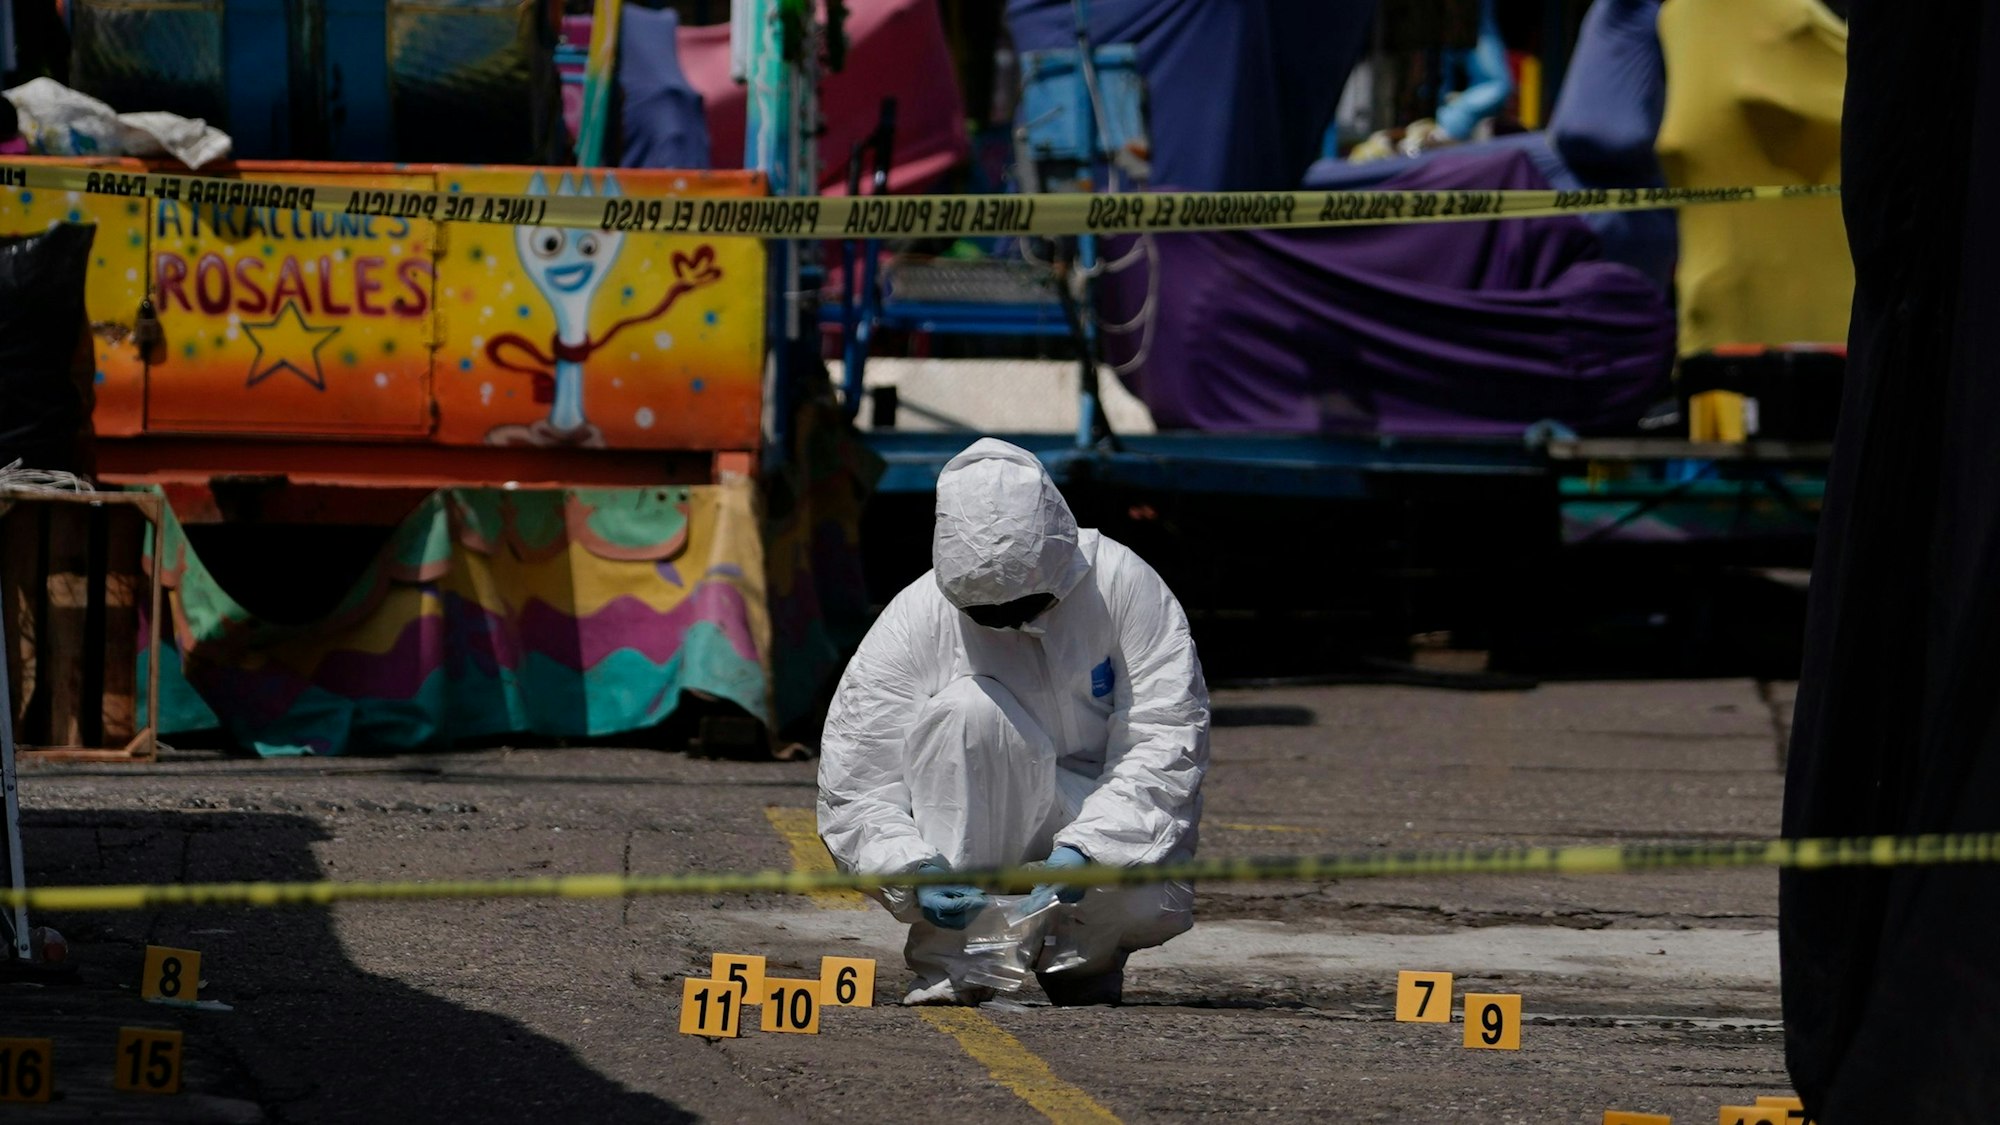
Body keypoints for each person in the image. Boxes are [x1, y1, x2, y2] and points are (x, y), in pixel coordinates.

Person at [818, 438, 1208, 1006]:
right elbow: (855, 782)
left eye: (1024, 607)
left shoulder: (1123, 586)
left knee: (1140, 897)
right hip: (986, 810)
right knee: (966, 712)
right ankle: (962, 959)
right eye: (985, 615)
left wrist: (1089, 849)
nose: (1007, 626)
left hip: (1097, 806)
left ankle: (1085, 958)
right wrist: (911, 868)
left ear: (1059, 563)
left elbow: (1166, 739)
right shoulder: (916, 618)